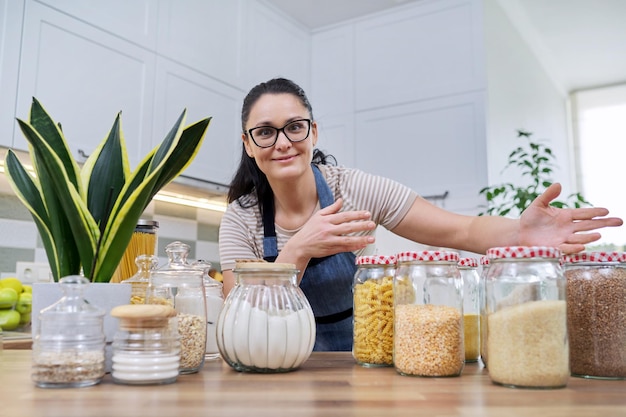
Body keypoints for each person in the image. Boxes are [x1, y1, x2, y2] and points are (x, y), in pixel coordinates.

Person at [218, 77, 623, 351]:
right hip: (277, 364)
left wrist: (520, 233)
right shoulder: (241, 218)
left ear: (314, 132)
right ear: (248, 143)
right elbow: (239, 316)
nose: (283, 142)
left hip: (361, 359)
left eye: (295, 127)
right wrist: (299, 250)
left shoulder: (351, 189)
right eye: (266, 132)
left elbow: (462, 230)